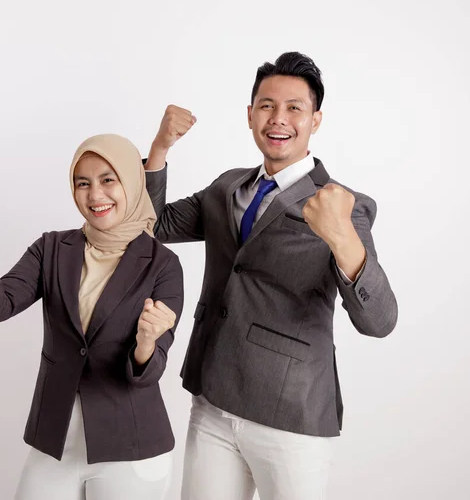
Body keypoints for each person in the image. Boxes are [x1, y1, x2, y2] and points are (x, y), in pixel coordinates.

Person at [143, 52, 398, 500]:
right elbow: (152, 225)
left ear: (315, 120)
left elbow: (379, 322)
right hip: (213, 399)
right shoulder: (228, 186)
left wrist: (343, 241)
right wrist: (160, 149)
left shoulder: (344, 204)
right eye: (266, 105)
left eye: (294, 108)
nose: (278, 119)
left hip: (292, 414)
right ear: (250, 114)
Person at [0, 134, 183, 500]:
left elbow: (150, 371)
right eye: (83, 183)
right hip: (54, 445)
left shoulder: (163, 265)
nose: (95, 195)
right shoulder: (51, 248)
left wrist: (145, 342)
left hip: (132, 451)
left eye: (108, 180)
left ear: (131, 180)